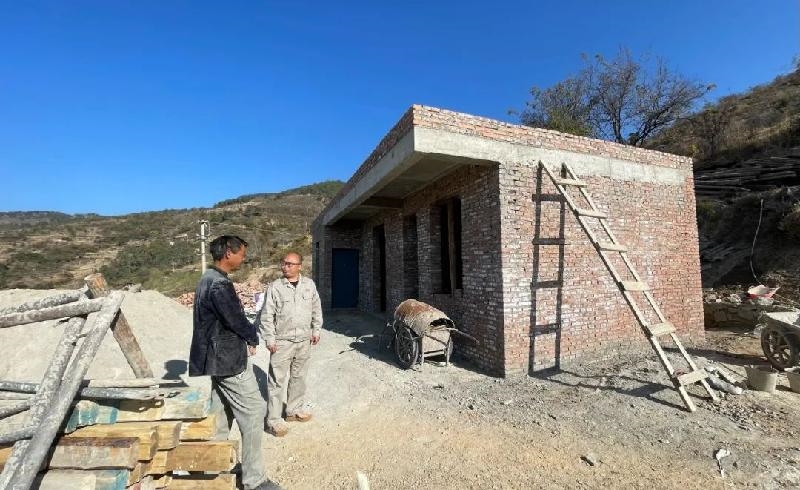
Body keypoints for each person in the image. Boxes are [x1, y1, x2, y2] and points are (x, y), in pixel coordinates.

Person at [189, 235, 281, 490]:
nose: (243, 258)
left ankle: (215, 467)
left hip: (216, 359)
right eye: (241, 253)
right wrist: (252, 336)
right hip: (228, 360)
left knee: (221, 414)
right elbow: (235, 320)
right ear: (229, 252)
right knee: (254, 411)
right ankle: (254, 479)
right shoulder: (219, 284)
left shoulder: (208, 278)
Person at [257, 252, 323, 437]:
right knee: (276, 382)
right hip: (282, 341)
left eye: (290, 264)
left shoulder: (309, 285)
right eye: (283, 263)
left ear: (299, 266)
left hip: (304, 340)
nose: (285, 267)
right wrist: (270, 339)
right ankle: (273, 420)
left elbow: (316, 308)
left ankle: (293, 410)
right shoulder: (275, 287)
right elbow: (266, 315)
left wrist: (316, 330)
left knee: (299, 377)